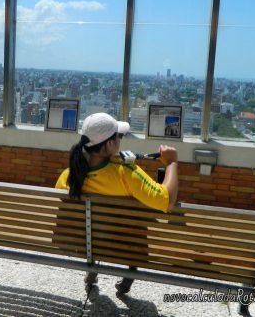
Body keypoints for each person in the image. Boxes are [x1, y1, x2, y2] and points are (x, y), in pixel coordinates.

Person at [55, 112, 179, 295]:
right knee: (135, 227)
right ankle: (130, 271)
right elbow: (166, 201)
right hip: (124, 245)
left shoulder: (69, 175)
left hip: (87, 243)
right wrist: (172, 162)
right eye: (119, 136)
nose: (120, 139)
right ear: (110, 144)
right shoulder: (125, 172)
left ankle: (91, 269)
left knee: (93, 225)